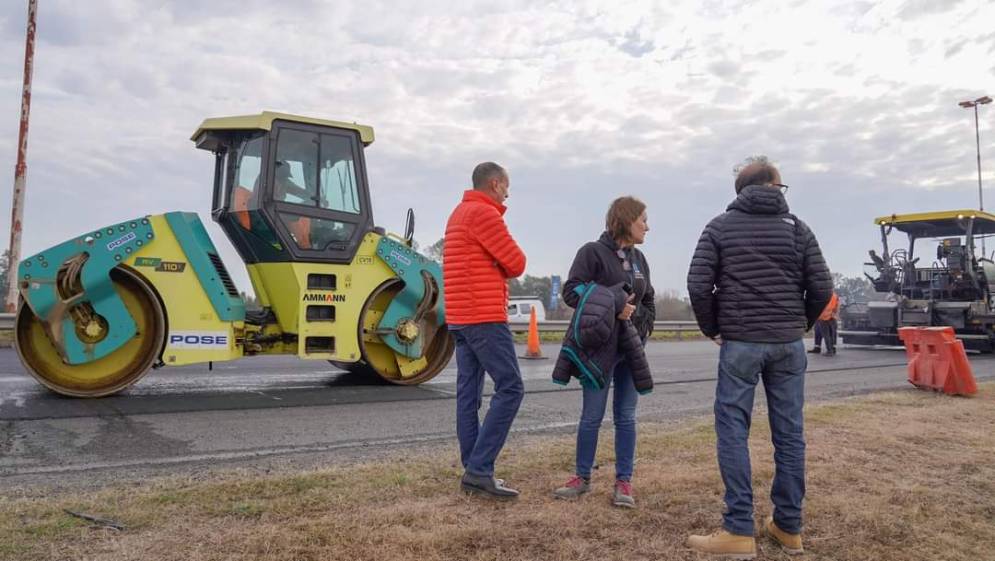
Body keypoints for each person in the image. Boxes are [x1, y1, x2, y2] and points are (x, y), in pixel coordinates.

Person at [686, 159, 832, 558]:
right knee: (789, 433)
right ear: (769, 185)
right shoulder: (798, 228)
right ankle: (788, 525)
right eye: (781, 186)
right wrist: (798, 322)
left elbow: (698, 283)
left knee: (733, 429)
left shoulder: (719, 226)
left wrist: (713, 327)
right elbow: (822, 284)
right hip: (787, 343)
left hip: (742, 341)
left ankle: (738, 528)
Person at [551, 196, 655, 509]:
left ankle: (624, 482)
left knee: (626, 416)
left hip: (631, 348)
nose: (647, 227)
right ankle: (582, 477)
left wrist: (638, 321)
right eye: (643, 220)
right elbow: (573, 291)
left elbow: (648, 301)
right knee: (592, 416)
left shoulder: (640, 260)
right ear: (626, 220)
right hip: (598, 350)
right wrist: (613, 305)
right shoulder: (592, 252)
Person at [443, 162, 527, 499]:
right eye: (507, 186)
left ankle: (472, 467)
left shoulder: (458, 214)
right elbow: (517, 262)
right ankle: (479, 470)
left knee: (469, 394)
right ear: (494, 184)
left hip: (461, 317)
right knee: (511, 388)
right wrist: (498, 266)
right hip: (484, 316)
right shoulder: (485, 215)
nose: (508, 193)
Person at [809, 292, 840, 356]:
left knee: (826, 335)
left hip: (823, 317)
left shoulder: (822, 294)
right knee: (832, 334)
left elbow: (819, 306)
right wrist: (835, 314)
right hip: (832, 316)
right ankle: (832, 349)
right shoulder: (834, 295)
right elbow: (837, 305)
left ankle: (829, 351)